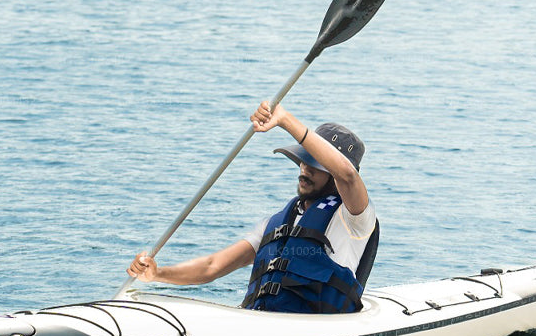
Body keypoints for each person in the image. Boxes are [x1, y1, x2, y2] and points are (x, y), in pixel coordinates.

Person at [126, 101, 379, 313]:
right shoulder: (278, 222)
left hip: (315, 330)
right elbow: (212, 266)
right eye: (302, 161)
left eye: (316, 165)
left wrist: (285, 120)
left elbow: (347, 176)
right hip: (260, 324)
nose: (304, 168)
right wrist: (158, 274)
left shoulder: (355, 219)